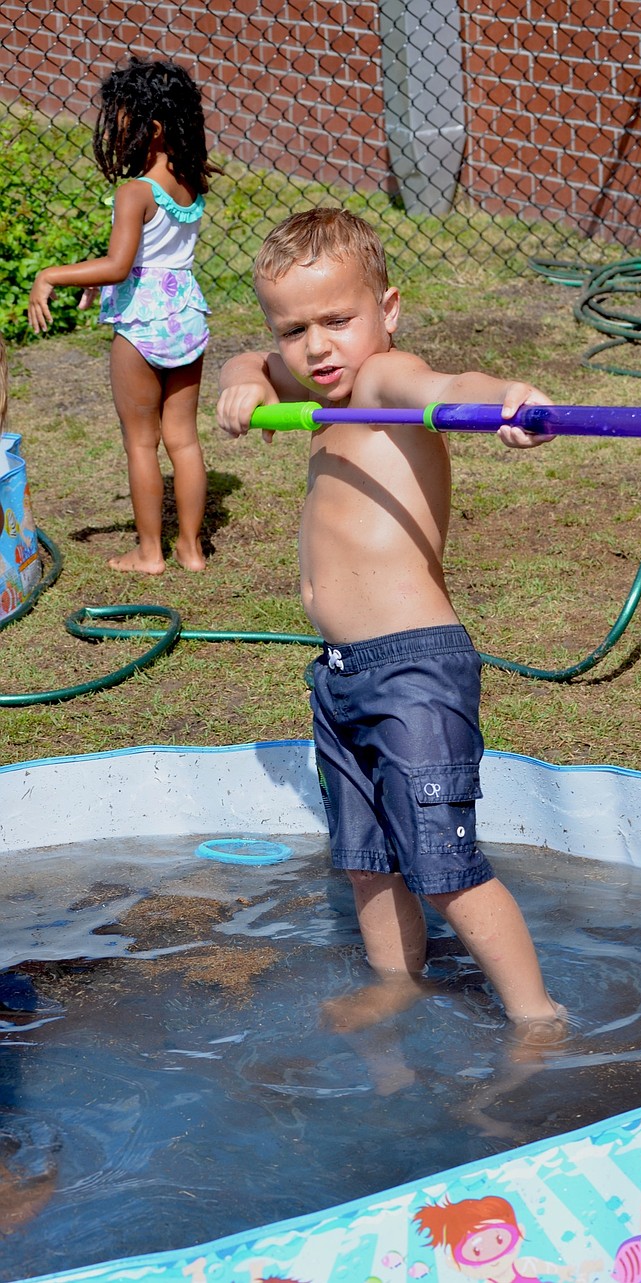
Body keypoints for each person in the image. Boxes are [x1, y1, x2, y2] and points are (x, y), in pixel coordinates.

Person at [216, 207, 566, 1037]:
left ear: (388, 310)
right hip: (342, 672)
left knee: (443, 868)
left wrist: (506, 400)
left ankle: (537, 1015)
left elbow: (444, 391)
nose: (318, 347)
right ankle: (396, 979)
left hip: (414, 668)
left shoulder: (380, 382)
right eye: (296, 328)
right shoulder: (311, 381)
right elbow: (251, 361)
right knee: (367, 861)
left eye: (339, 319)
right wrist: (248, 381)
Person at [27, 54, 216, 574]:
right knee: (184, 438)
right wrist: (99, 283)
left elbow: (118, 265)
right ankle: (192, 549)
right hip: (186, 317)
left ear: (151, 128)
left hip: (141, 326)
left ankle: (150, 552)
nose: (115, 128)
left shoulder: (135, 192)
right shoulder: (190, 181)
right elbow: (152, 258)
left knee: (140, 442)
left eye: (122, 119)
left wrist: (52, 276)